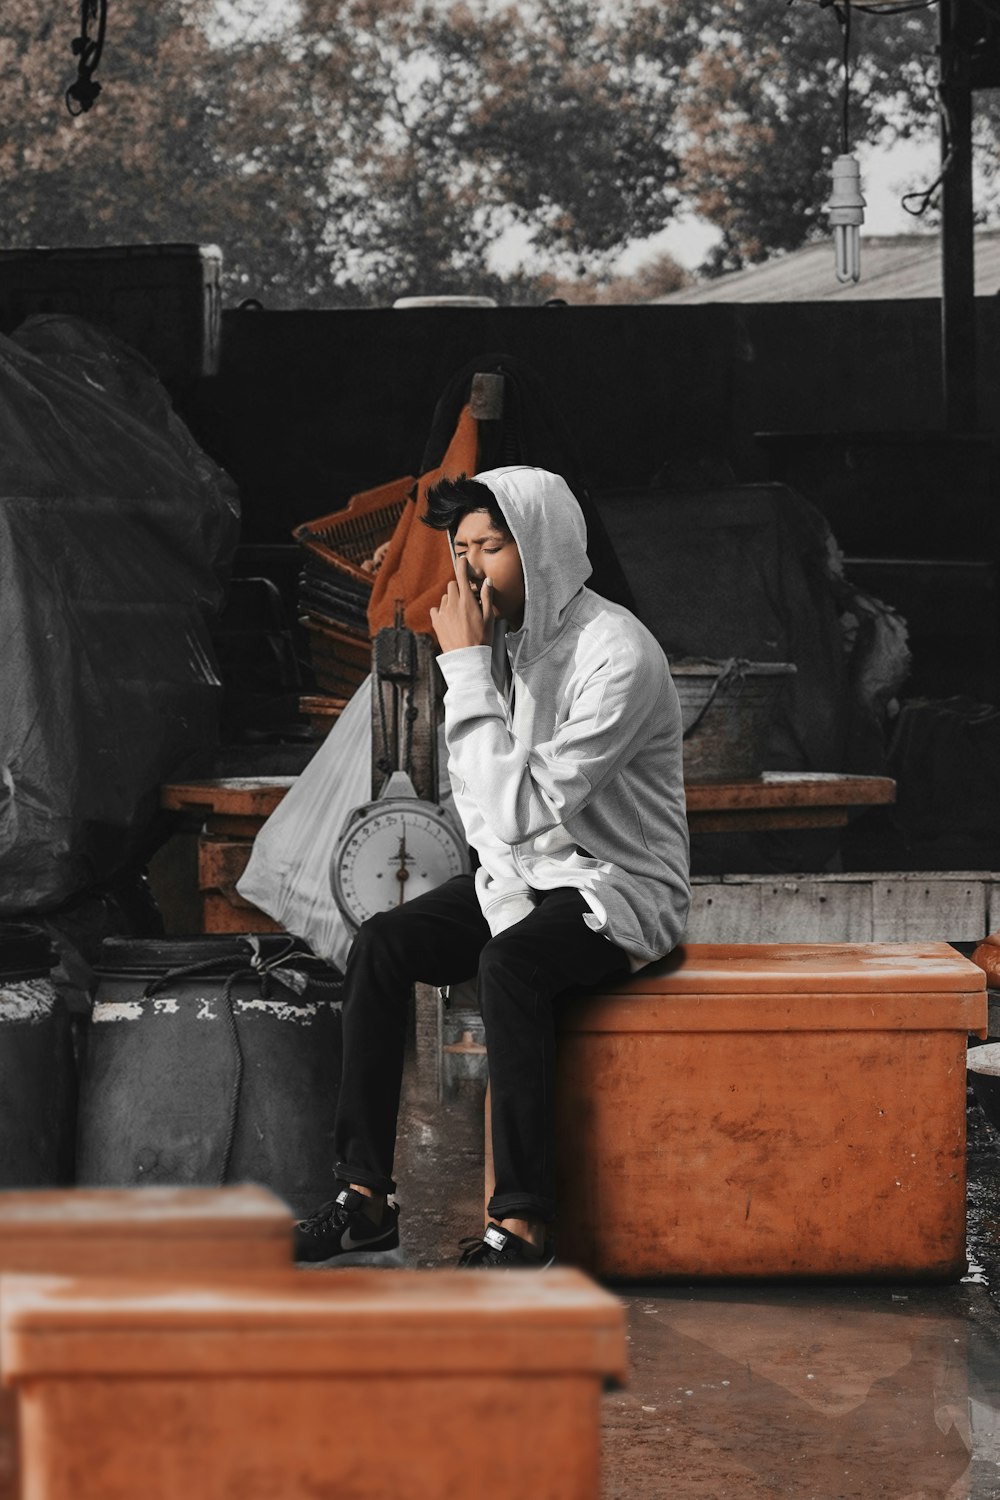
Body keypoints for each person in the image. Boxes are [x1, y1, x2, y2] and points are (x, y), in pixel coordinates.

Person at [293, 465, 690, 1268]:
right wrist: (474, 667)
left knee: (509, 964)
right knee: (380, 945)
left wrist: (466, 668)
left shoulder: (617, 654)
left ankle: (523, 1224)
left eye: (493, 546)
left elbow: (514, 809)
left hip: (614, 888)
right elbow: (483, 812)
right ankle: (364, 1197)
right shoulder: (500, 646)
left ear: (543, 547)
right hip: (521, 878)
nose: (471, 569)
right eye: (461, 548)